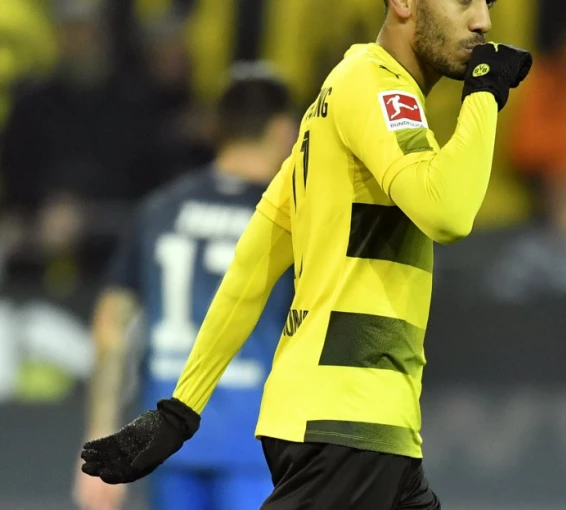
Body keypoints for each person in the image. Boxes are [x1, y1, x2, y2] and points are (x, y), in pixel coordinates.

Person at [79, 1, 532, 508]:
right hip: (345, 425)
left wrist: (181, 410)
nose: (483, 21)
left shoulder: (336, 104)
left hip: (366, 430)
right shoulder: (375, 86)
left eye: (487, 4)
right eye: (464, 0)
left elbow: (254, 263)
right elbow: (447, 213)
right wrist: (485, 95)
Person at [73, 66, 296, 510]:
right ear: (282, 130)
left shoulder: (160, 209)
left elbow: (110, 324)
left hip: (168, 440)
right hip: (255, 442)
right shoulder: (290, 217)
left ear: (217, 128)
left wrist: (100, 432)